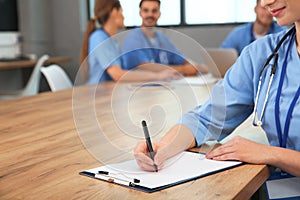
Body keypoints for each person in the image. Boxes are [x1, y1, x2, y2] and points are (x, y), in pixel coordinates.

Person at [134, 0, 300, 178]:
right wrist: (165, 146)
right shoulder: (262, 53)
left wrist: (272, 154)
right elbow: (208, 117)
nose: (267, 2)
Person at [80, 0, 180, 85]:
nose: (124, 17)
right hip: (98, 96)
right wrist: (158, 76)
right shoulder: (99, 37)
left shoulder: (113, 41)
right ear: (114, 12)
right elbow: (117, 74)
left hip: (109, 92)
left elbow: (124, 73)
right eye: (121, 12)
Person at [121, 0, 207, 76]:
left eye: (154, 11)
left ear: (159, 14)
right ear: (140, 13)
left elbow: (181, 59)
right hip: (140, 90)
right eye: (146, 10)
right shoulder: (133, 39)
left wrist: (197, 67)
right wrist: (184, 69)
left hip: (164, 88)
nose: (150, 14)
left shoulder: (162, 39)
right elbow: (145, 67)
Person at [220, 0, 285, 55]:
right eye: (264, 8)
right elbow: (222, 56)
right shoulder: (238, 33)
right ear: (255, 9)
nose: (267, 13)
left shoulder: (282, 34)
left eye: (271, 8)